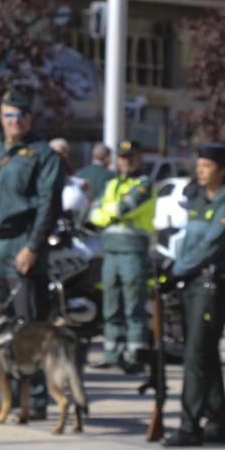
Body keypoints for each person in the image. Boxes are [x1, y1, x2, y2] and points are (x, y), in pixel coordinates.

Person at [0, 90, 64, 419]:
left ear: (30, 118)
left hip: (23, 243)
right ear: (1, 117)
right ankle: (2, 391)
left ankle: (34, 397)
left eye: (20, 114)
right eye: (9, 114)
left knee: (27, 324)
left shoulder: (42, 154)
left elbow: (49, 205)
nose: (15, 120)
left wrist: (33, 246)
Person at [162, 142, 225, 447]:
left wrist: (177, 271)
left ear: (223, 170)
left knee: (196, 355)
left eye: (207, 165)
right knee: (205, 355)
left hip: (211, 286)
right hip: (193, 283)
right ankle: (218, 423)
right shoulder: (198, 200)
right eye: (199, 164)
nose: (200, 170)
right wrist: (174, 269)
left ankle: (189, 425)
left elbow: (211, 247)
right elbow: (190, 243)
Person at [89, 140, 156, 372]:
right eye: (123, 157)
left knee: (133, 307)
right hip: (111, 252)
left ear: (139, 159)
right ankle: (112, 354)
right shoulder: (112, 183)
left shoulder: (144, 184)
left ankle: (135, 357)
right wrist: (107, 214)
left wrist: (107, 214)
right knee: (111, 305)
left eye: (131, 157)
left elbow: (122, 208)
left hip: (132, 252)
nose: (126, 161)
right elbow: (93, 212)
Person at [50, 138, 91, 225]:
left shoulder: (77, 182)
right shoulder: (44, 178)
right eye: (55, 154)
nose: (58, 158)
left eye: (61, 154)